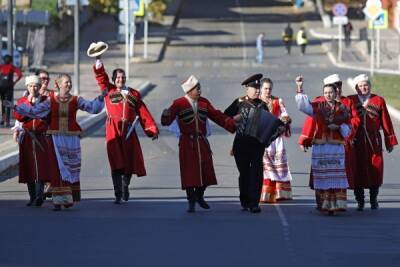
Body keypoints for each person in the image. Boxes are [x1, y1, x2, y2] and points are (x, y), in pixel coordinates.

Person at [6, 74, 105, 211]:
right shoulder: (51, 101)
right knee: (57, 168)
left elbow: (93, 108)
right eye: (66, 82)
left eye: (70, 82)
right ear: (58, 84)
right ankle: (58, 201)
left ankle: (68, 197)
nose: (69, 85)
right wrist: (15, 107)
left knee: (70, 168)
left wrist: (100, 98)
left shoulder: (76, 99)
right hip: (55, 137)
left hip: (72, 138)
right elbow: (34, 111)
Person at [161, 75, 236, 212]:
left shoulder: (204, 103)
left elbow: (217, 116)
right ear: (189, 91)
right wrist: (165, 115)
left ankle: (199, 195)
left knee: (207, 170)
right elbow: (167, 119)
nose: (200, 90)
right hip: (186, 143)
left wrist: (232, 124)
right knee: (189, 173)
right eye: (197, 88)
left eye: (200, 87)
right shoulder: (179, 103)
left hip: (201, 142)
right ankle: (191, 201)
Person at [93, 55, 159, 204]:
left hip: (129, 131)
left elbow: (143, 112)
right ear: (113, 79)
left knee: (129, 161)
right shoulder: (108, 90)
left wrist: (152, 130)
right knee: (116, 162)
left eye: (122, 77)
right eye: (117, 78)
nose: (120, 80)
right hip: (113, 130)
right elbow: (101, 77)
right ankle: (117, 193)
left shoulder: (134, 94)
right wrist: (98, 60)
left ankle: (125, 185)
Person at [298, 74, 360, 209]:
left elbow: (350, 124)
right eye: (326, 92)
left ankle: (338, 203)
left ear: (336, 91)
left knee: (337, 173)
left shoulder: (343, 106)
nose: (329, 94)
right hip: (321, 144)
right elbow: (305, 110)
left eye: (332, 91)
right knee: (322, 173)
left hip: (337, 145)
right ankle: (324, 203)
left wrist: (339, 127)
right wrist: (300, 87)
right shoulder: (318, 105)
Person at [224, 74, 283, 213]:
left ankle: (254, 203)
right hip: (241, 143)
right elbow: (224, 117)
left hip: (257, 145)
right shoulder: (239, 103)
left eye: (258, 87)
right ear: (247, 89)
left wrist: (277, 130)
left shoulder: (262, 105)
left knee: (256, 172)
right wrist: (235, 120)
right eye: (254, 87)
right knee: (244, 173)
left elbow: (269, 125)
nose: (257, 90)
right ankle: (244, 200)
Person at [347, 74, 398, 211]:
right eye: (361, 85)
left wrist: (389, 141)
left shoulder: (378, 100)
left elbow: (386, 121)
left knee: (376, 169)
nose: (364, 88)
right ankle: (360, 201)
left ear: (369, 86)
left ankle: (373, 198)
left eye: (366, 85)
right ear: (356, 87)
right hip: (356, 142)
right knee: (357, 170)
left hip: (373, 141)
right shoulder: (350, 100)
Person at [12, 75, 56, 206]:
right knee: (29, 167)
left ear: (39, 86)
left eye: (36, 85)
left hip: (41, 137)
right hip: (27, 138)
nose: (33, 88)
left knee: (41, 167)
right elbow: (19, 117)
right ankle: (32, 196)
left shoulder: (46, 101)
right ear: (27, 87)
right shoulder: (22, 101)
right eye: (30, 86)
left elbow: (49, 117)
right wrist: (28, 104)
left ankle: (39, 195)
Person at [259, 78, 293, 203]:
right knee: (265, 166)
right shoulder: (257, 102)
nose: (268, 91)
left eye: (269, 88)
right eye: (265, 88)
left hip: (275, 138)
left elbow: (285, 114)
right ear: (261, 89)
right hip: (262, 138)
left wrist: (284, 120)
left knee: (277, 166)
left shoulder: (277, 101)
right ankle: (265, 194)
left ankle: (280, 193)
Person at [0, 54, 22, 126]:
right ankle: (7, 121)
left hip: (1, 87)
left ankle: (3, 120)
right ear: (11, 60)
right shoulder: (12, 67)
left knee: (3, 103)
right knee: (8, 103)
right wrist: (15, 82)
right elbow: (20, 74)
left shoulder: (1, 66)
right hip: (9, 87)